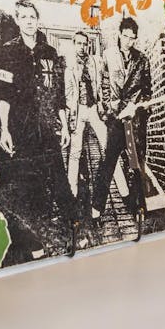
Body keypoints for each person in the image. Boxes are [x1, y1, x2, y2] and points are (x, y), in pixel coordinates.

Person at [0, 0, 76, 265]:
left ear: (37, 20)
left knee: (59, 180)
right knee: (30, 185)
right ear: (17, 20)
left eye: (32, 17)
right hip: (22, 129)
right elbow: (4, 95)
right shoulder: (8, 52)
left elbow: (59, 94)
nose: (29, 21)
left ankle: (73, 232)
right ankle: (35, 243)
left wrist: (63, 124)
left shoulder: (49, 53)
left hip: (48, 127)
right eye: (24, 17)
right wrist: (4, 129)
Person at [91, 17, 152, 219]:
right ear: (119, 34)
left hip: (134, 121)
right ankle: (96, 208)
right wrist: (111, 110)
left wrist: (135, 107)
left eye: (132, 38)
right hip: (115, 120)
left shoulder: (142, 59)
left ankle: (139, 208)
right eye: (126, 37)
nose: (129, 41)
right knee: (108, 163)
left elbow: (147, 92)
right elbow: (103, 87)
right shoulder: (108, 55)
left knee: (135, 165)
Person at [64, 31, 109, 204]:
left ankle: (120, 192)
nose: (82, 47)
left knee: (108, 147)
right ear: (74, 44)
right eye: (79, 43)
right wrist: (71, 114)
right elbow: (68, 92)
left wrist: (102, 104)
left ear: (88, 45)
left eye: (85, 44)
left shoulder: (96, 61)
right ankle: (72, 194)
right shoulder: (69, 65)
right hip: (78, 110)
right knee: (75, 153)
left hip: (93, 109)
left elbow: (103, 83)